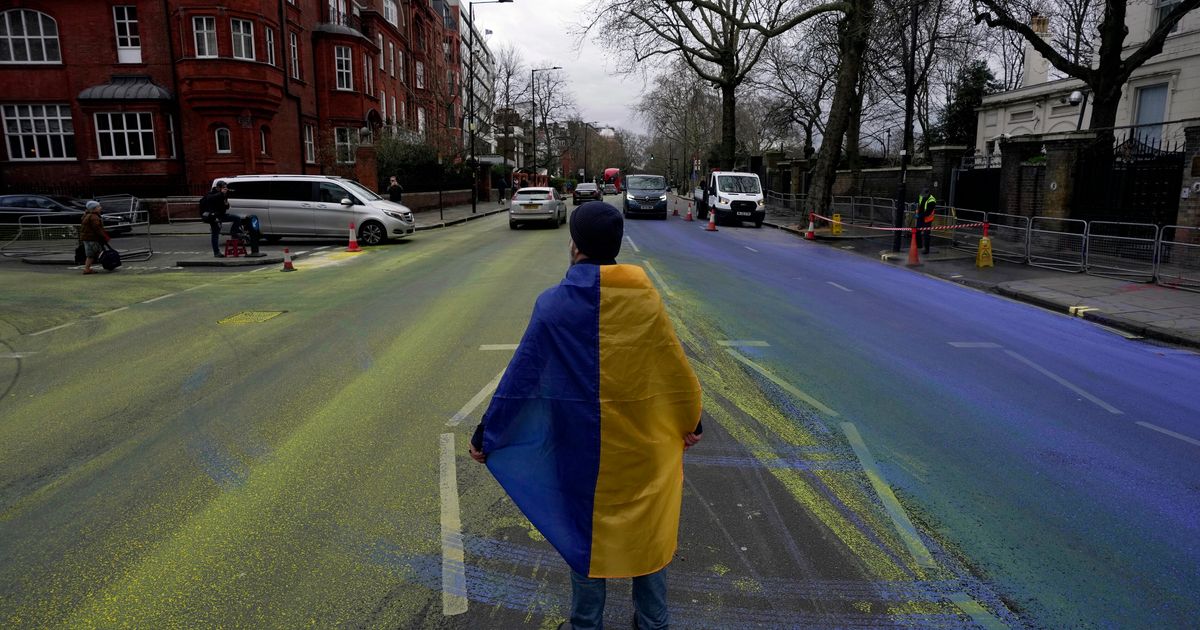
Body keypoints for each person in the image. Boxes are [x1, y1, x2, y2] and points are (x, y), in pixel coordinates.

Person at [469, 201, 702, 630]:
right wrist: (691, 421)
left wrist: (488, 434)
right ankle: (654, 622)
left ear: (575, 246)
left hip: (578, 448)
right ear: (614, 248)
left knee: (585, 536)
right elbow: (673, 368)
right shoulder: (646, 302)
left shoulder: (553, 306)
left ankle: (586, 624)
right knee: (646, 532)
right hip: (643, 449)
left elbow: (520, 379)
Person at [200, 181, 230, 258]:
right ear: (218, 188)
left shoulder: (223, 195)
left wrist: (226, 203)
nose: (225, 189)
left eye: (225, 187)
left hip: (221, 215)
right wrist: (221, 194)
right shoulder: (211, 194)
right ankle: (216, 252)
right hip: (213, 216)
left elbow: (226, 206)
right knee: (215, 234)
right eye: (223, 187)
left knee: (236, 218)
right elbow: (211, 198)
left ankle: (235, 233)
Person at [78, 200, 108, 275]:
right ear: (94, 208)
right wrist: (104, 237)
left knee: (91, 254)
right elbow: (97, 228)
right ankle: (108, 264)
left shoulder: (86, 215)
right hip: (92, 238)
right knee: (96, 253)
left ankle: (87, 269)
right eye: (99, 207)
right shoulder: (94, 217)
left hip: (87, 238)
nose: (100, 208)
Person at [916, 186, 937, 254]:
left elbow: (928, 212)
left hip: (928, 219)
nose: (923, 196)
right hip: (920, 217)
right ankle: (919, 246)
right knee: (917, 231)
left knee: (926, 234)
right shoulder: (921, 196)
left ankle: (926, 249)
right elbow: (919, 203)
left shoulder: (932, 200)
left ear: (928, 194)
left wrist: (919, 215)